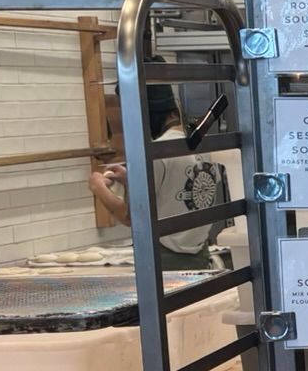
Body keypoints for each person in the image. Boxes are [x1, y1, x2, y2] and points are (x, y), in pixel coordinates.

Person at [89, 90, 231, 271]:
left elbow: (131, 216)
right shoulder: (202, 144)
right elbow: (175, 187)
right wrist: (129, 180)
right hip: (200, 258)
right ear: (174, 110)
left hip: (166, 266)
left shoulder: (157, 151)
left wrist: (98, 187)